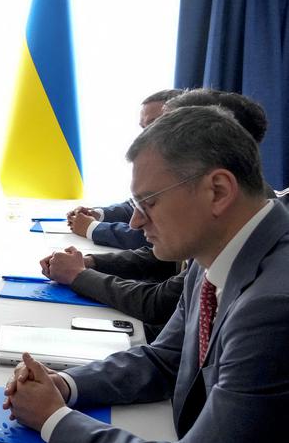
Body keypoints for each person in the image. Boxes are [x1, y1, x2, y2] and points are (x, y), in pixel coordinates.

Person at [5, 105, 289, 443]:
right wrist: (66, 385)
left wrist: (55, 420)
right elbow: (163, 359)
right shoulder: (220, 247)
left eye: (148, 202)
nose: (136, 222)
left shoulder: (272, 308)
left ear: (218, 191)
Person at [42, 90, 271, 340]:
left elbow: (158, 305)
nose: (136, 222)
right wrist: (67, 381)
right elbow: (168, 357)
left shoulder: (269, 300)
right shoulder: (211, 244)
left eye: (171, 132)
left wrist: (80, 274)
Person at [67, 88, 183, 249]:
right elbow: (135, 206)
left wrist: (92, 228)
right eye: (143, 128)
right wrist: (99, 214)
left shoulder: (185, 168)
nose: (144, 135)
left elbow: (155, 235)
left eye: (154, 124)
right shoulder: (158, 161)